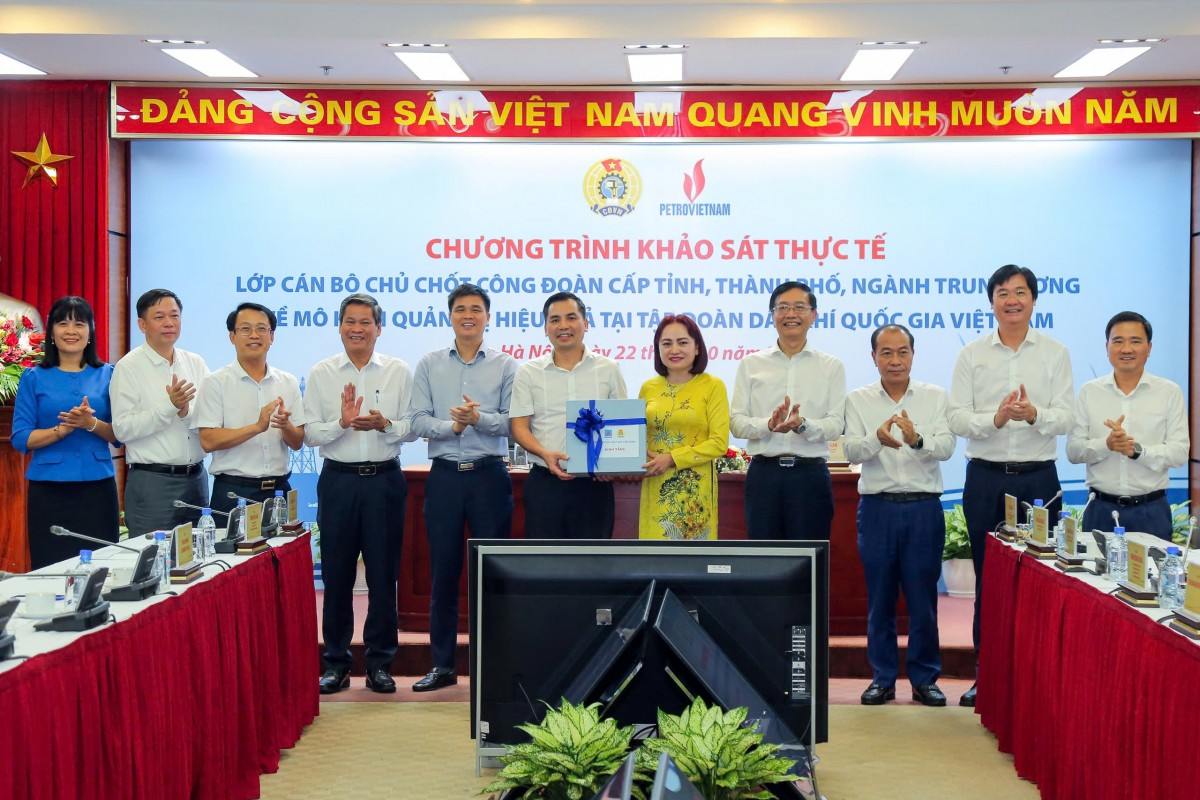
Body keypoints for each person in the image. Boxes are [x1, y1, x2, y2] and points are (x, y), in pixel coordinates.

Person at [948, 264, 1072, 707]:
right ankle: (988, 673)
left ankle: (1037, 678)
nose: (1012, 300)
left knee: (1039, 579)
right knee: (989, 579)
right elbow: (957, 417)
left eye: (1020, 292)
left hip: (1039, 480)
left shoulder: (1054, 353)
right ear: (992, 301)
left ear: (1034, 300)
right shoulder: (972, 355)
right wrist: (995, 419)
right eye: (1003, 293)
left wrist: (1035, 414)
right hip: (985, 478)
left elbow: (1067, 416)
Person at [304, 293, 414, 694]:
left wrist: (385, 424)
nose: (357, 329)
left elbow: (411, 427)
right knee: (337, 575)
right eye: (350, 321)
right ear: (339, 327)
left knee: (384, 575)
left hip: (385, 480)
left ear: (379, 328)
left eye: (365, 322)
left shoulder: (399, 371)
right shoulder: (321, 373)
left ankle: (380, 663)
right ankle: (335, 663)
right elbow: (309, 434)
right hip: (339, 481)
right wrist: (341, 422)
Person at [409, 283, 516, 691]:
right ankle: (442, 665)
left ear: (488, 317)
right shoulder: (430, 364)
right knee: (444, 571)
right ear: (450, 316)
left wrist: (479, 419)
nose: (468, 315)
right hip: (445, 478)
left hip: (490, 474)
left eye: (476, 309)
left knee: (490, 572)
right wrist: (451, 426)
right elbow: (418, 420)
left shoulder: (506, 365)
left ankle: (493, 662)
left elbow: (512, 421)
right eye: (460, 309)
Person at [843, 324, 955, 707]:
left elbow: (946, 447)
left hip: (923, 508)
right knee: (881, 598)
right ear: (873, 357)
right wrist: (877, 438)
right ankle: (883, 678)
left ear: (913, 354)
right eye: (886, 353)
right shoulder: (857, 400)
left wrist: (917, 438)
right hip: (878, 509)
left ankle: (925, 679)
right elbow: (851, 451)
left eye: (902, 351)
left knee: (923, 599)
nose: (895, 360)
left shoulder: (935, 397)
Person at [730, 281, 845, 540]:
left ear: (813, 315)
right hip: (764, 475)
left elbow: (836, 424)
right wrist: (768, 425)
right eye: (782, 307)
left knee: (810, 560)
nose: (790, 314)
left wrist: (802, 424)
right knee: (765, 562)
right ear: (772, 315)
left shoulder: (831, 367)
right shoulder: (751, 364)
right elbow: (736, 422)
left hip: (810, 476)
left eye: (799, 307)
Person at [11, 296, 119, 569]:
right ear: (51, 332)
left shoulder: (109, 374)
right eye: (63, 323)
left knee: (100, 569)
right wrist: (63, 429)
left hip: (97, 488)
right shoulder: (33, 377)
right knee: (52, 569)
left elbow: (119, 435)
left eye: (79, 324)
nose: (71, 331)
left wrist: (89, 424)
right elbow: (21, 438)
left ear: (90, 331)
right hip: (49, 491)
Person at [510, 292, 627, 539]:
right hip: (545, 483)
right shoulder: (528, 372)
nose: (563, 326)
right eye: (554, 320)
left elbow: (621, 423)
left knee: (592, 566)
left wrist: (612, 462)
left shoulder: (608, 369)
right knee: (545, 567)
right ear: (545, 328)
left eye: (571, 318)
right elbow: (519, 427)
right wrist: (544, 454)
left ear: (585, 323)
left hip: (595, 485)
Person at [1067, 311, 1187, 541]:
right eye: (1118, 341)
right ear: (1107, 346)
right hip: (1100, 510)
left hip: (1150, 511)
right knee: (1091, 576)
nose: (1126, 349)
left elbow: (1179, 453)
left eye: (1135, 341)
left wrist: (1136, 451)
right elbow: (1073, 451)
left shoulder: (1169, 392)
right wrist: (1107, 444)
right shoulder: (1089, 392)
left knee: (1151, 576)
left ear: (1149, 348)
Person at [111, 289, 211, 536]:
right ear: (142, 324)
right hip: (153, 483)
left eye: (174, 316)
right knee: (155, 563)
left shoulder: (195, 362)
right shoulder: (128, 367)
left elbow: (211, 415)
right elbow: (122, 429)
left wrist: (186, 411)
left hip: (196, 479)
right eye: (159, 317)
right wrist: (169, 407)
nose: (169, 323)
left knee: (198, 563)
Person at [197, 303, 304, 516]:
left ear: (272, 336)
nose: (254, 335)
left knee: (282, 549)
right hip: (234, 492)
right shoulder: (215, 382)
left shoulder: (288, 382)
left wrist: (286, 426)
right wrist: (256, 427)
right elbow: (208, 441)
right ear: (232, 336)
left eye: (262, 329)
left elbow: (297, 442)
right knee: (233, 550)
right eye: (245, 329)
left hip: (279, 491)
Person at [637, 314, 729, 540]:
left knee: (693, 566)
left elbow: (719, 443)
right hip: (655, 484)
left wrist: (672, 458)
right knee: (654, 561)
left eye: (683, 342)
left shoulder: (713, 386)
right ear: (658, 349)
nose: (674, 349)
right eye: (666, 344)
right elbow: (636, 436)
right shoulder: (648, 388)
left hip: (694, 491)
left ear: (697, 347)